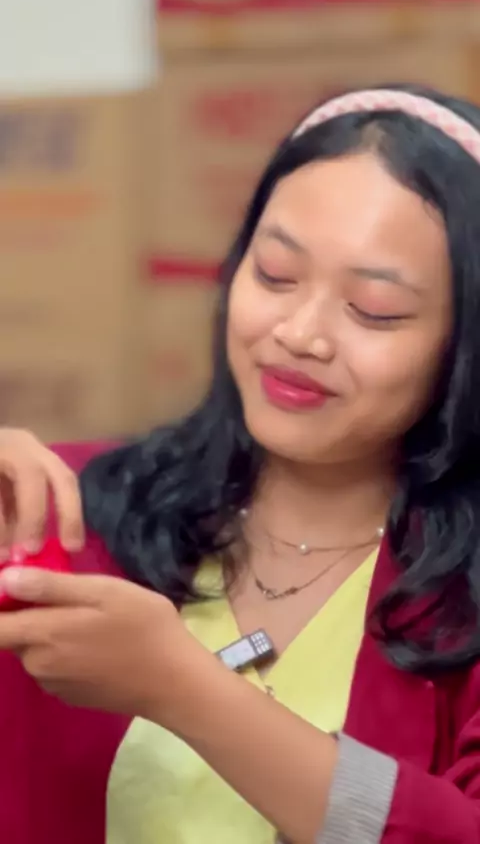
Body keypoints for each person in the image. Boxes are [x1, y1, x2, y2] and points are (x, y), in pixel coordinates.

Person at [0, 83, 480, 844]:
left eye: (373, 311)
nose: (300, 333)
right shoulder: (68, 508)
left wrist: (183, 689)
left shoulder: (462, 597)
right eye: (275, 275)